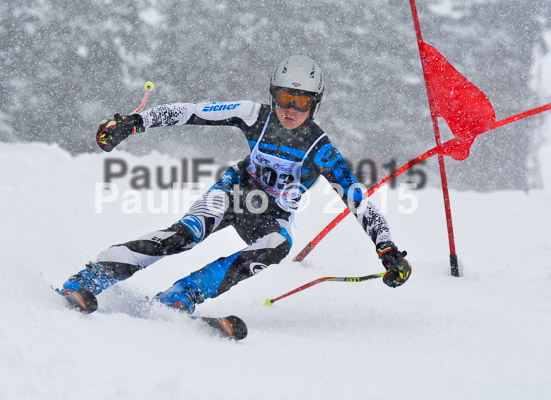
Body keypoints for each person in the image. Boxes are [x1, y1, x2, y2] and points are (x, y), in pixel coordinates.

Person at [58, 55, 411, 314]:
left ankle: (182, 296)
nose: (289, 109)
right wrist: (135, 122)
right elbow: (190, 111)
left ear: (314, 105)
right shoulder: (252, 115)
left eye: (300, 102)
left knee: (277, 245)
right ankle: (92, 276)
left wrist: (387, 249)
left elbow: (358, 201)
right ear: (273, 94)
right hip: (234, 192)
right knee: (186, 235)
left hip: (272, 213)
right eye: (284, 97)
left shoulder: (321, 149)